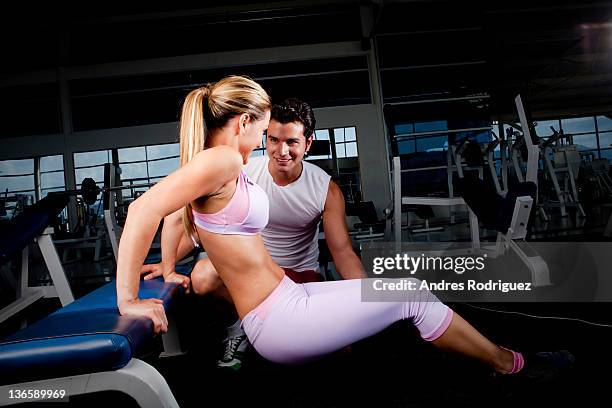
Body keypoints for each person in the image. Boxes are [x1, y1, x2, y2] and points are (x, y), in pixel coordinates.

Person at [117, 75, 571, 380]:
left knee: (405, 294)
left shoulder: (229, 164)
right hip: (277, 320)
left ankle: (504, 360)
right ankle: (512, 365)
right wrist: (129, 300)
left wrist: (168, 264)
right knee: (410, 295)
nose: (266, 143)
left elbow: (179, 212)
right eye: (263, 132)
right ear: (244, 122)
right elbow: (143, 211)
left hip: (291, 296)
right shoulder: (219, 160)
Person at [141, 97, 366, 369]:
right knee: (202, 274)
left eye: (292, 142)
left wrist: (366, 293)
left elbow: (342, 252)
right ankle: (239, 327)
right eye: (273, 140)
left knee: (344, 348)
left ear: (308, 143)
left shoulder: (325, 189)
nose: (281, 151)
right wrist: (168, 263)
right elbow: (207, 227)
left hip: (300, 278)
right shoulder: (244, 172)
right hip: (251, 275)